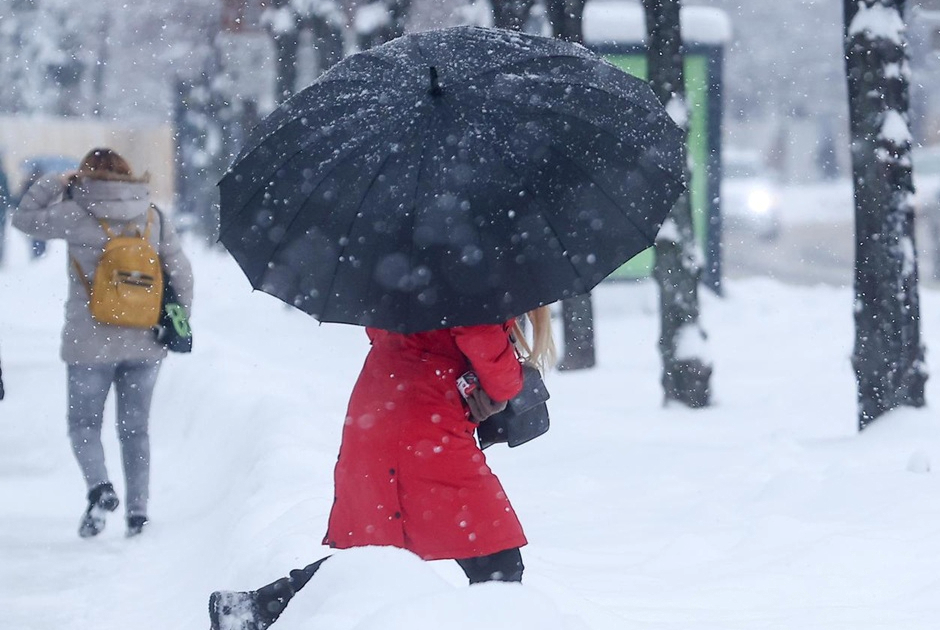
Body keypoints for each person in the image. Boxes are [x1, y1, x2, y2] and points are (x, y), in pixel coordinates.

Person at [209, 309, 555, 630]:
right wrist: (505, 373)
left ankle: (252, 609)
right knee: (498, 564)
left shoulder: (412, 255)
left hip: (382, 404)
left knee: (375, 558)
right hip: (422, 428)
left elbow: (380, 328)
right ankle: (254, 609)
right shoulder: (470, 271)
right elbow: (495, 366)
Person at [11, 148, 193, 538]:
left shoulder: (75, 213)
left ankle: (99, 487)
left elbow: (22, 218)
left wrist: (55, 181)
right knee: (136, 430)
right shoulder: (153, 216)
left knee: (83, 425)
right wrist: (177, 322)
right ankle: (138, 512)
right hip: (146, 341)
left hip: (88, 341)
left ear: (84, 176)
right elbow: (181, 274)